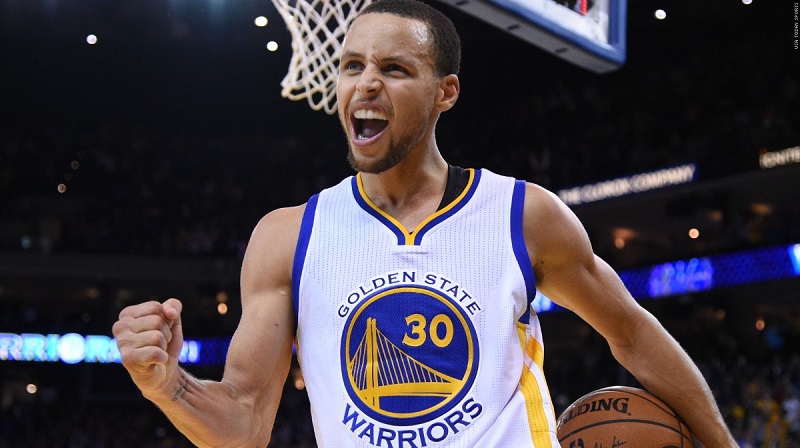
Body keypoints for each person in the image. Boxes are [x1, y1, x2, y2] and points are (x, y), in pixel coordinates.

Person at [112, 0, 738, 446]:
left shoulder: (523, 215)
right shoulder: (288, 236)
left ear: (446, 93)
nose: (366, 85)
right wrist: (168, 386)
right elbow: (244, 426)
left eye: (394, 69)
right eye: (352, 66)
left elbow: (630, 334)